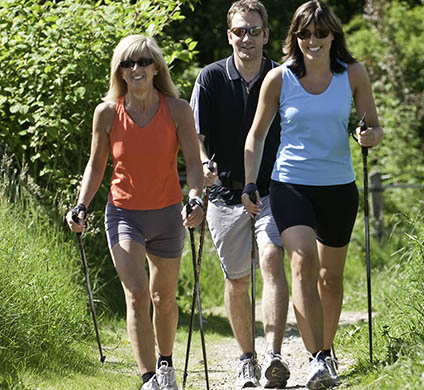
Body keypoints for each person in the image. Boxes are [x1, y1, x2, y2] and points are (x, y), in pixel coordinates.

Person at [241, 1, 384, 388]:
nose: (313, 40)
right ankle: (317, 357)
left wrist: (368, 135)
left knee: (330, 278)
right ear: (295, 37)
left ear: (333, 34)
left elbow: (373, 125)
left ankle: (327, 348)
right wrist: (251, 182)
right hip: (291, 184)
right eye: (305, 33)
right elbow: (256, 134)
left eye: (320, 33)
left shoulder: (352, 74)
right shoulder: (280, 78)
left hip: (338, 186)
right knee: (302, 264)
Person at [65, 34, 204, 390]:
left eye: (143, 61)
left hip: (169, 213)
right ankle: (148, 379)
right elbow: (96, 166)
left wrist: (196, 198)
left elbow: (192, 162)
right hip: (124, 213)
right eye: (128, 63)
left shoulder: (177, 109)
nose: (136, 68)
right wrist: (81, 205)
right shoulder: (107, 113)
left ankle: (166, 363)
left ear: (157, 66)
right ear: (120, 72)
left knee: (164, 298)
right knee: (137, 293)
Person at [188, 0, 291, 388]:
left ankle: (274, 356)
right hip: (225, 194)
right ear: (229, 35)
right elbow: (193, 138)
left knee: (271, 259)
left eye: (253, 30)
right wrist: (203, 165)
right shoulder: (210, 78)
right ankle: (246, 358)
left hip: (272, 192)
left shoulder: (282, 77)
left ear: (266, 35)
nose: (246, 38)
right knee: (237, 280)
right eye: (239, 31)